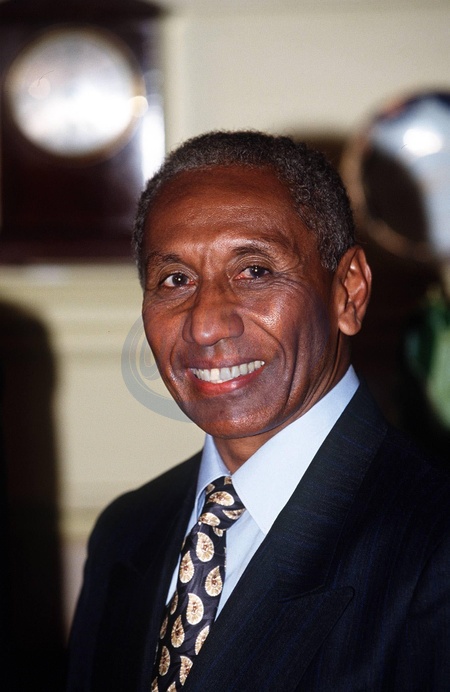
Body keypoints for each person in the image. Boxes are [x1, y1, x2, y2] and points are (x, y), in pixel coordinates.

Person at [67, 132, 450, 691]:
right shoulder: (128, 532)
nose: (205, 324)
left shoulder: (433, 544)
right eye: (176, 280)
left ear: (348, 292)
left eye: (254, 271)